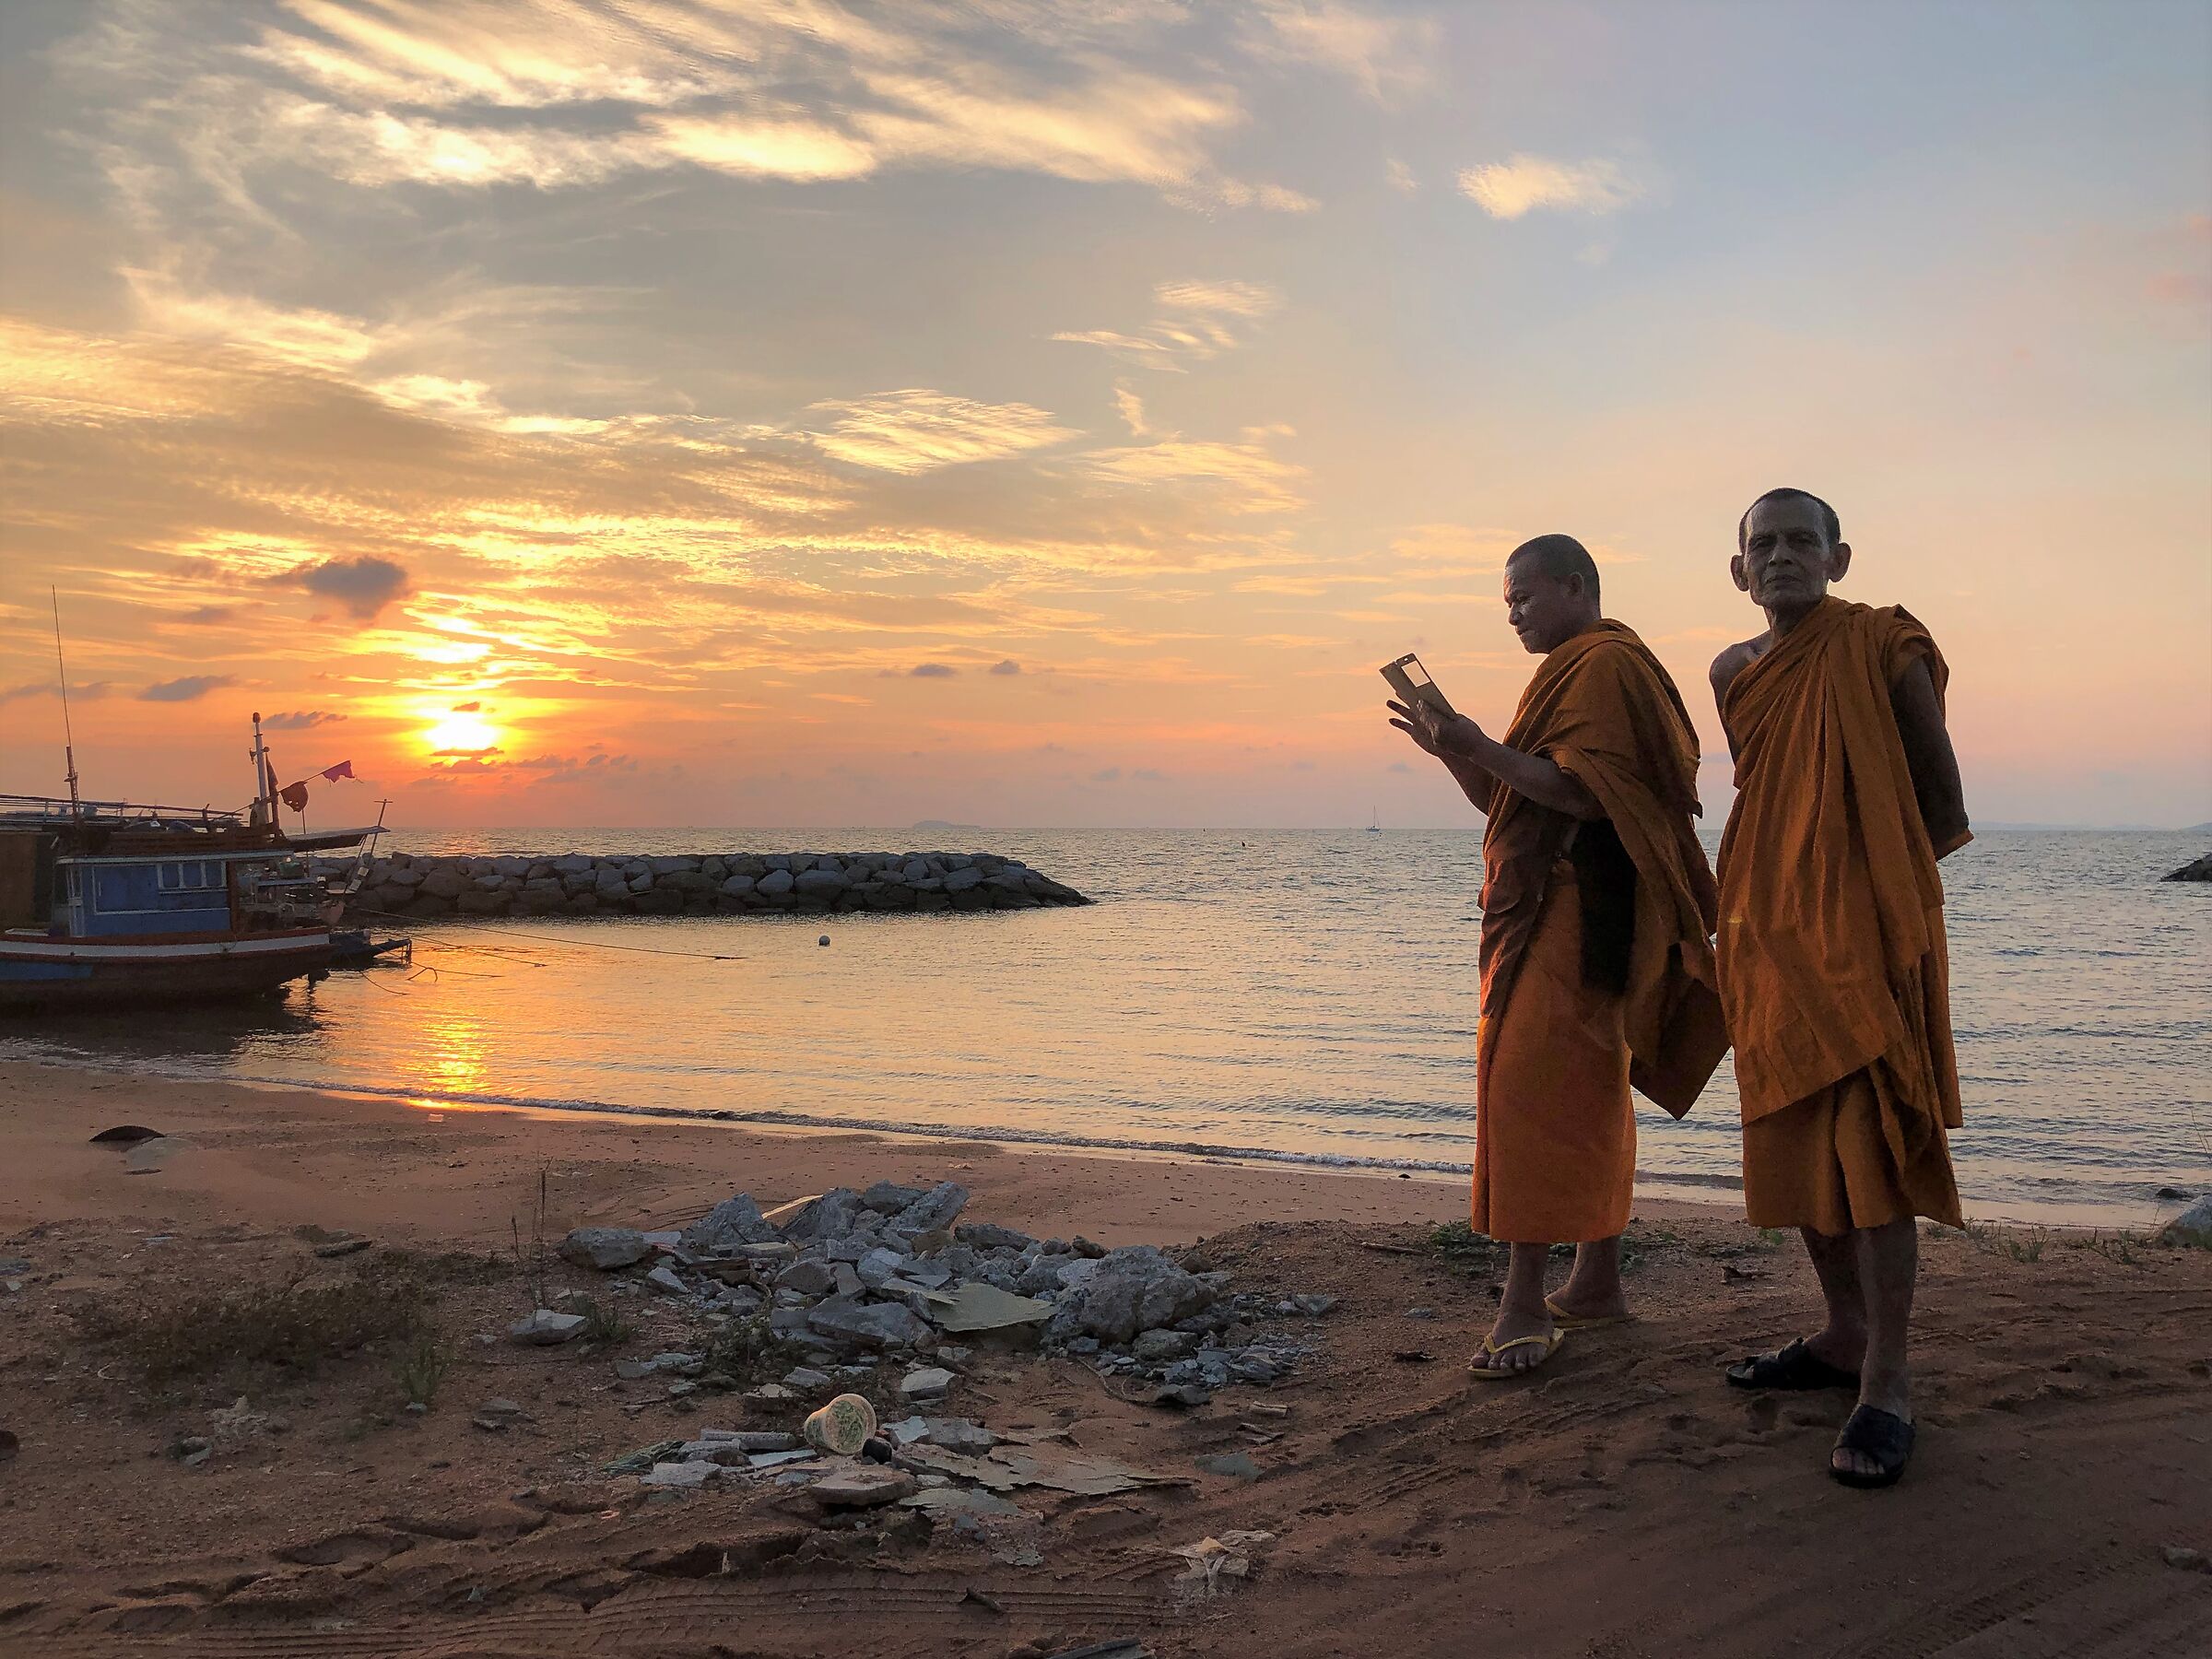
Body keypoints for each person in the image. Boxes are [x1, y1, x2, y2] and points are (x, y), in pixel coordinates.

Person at [1390, 535, 1726, 1378]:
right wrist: (1455, 751)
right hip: (1563, 904)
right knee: (1585, 1089)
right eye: (1506, 603)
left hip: (1583, 909)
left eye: (1523, 597)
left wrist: (1479, 743)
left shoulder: (1607, 666)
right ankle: (1599, 1281)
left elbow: (1588, 796)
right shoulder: (1569, 671)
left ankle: (1522, 1303)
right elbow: (1514, 804)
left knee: (1530, 1092)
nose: (1512, 615)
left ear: (1576, 586)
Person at [1709, 488, 1971, 1488]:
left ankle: (1889, 1383)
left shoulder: (1883, 644)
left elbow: (1937, 796)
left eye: (1800, 542)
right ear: (1738, 571)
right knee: (1796, 1150)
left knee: (1877, 1157)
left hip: (1863, 938)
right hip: (1768, 937)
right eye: (1761, 545)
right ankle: (1840, 1336)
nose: (1781, 557)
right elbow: (1770, 790)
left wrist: (1887, 915)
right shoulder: (1733, 670)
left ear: (1839, 557)